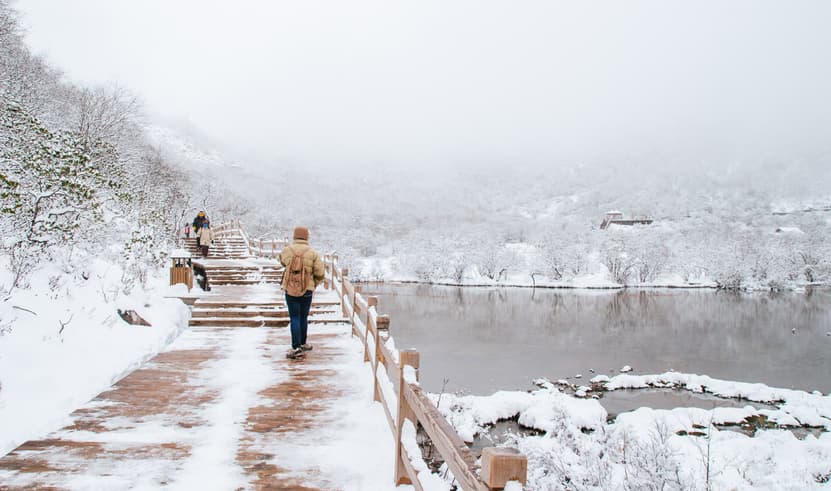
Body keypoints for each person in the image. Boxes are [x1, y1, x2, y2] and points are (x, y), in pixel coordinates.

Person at [279, 226, 325, 359]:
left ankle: (296, 347)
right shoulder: (312, 253)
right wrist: (313, 284)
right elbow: (320, 273)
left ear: (294, 236)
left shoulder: (287, 250)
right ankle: (303, 343)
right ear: (306, 237)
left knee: (294, 317)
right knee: (303, 317)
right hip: (307, 290)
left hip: (290, 288)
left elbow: (282, 261)